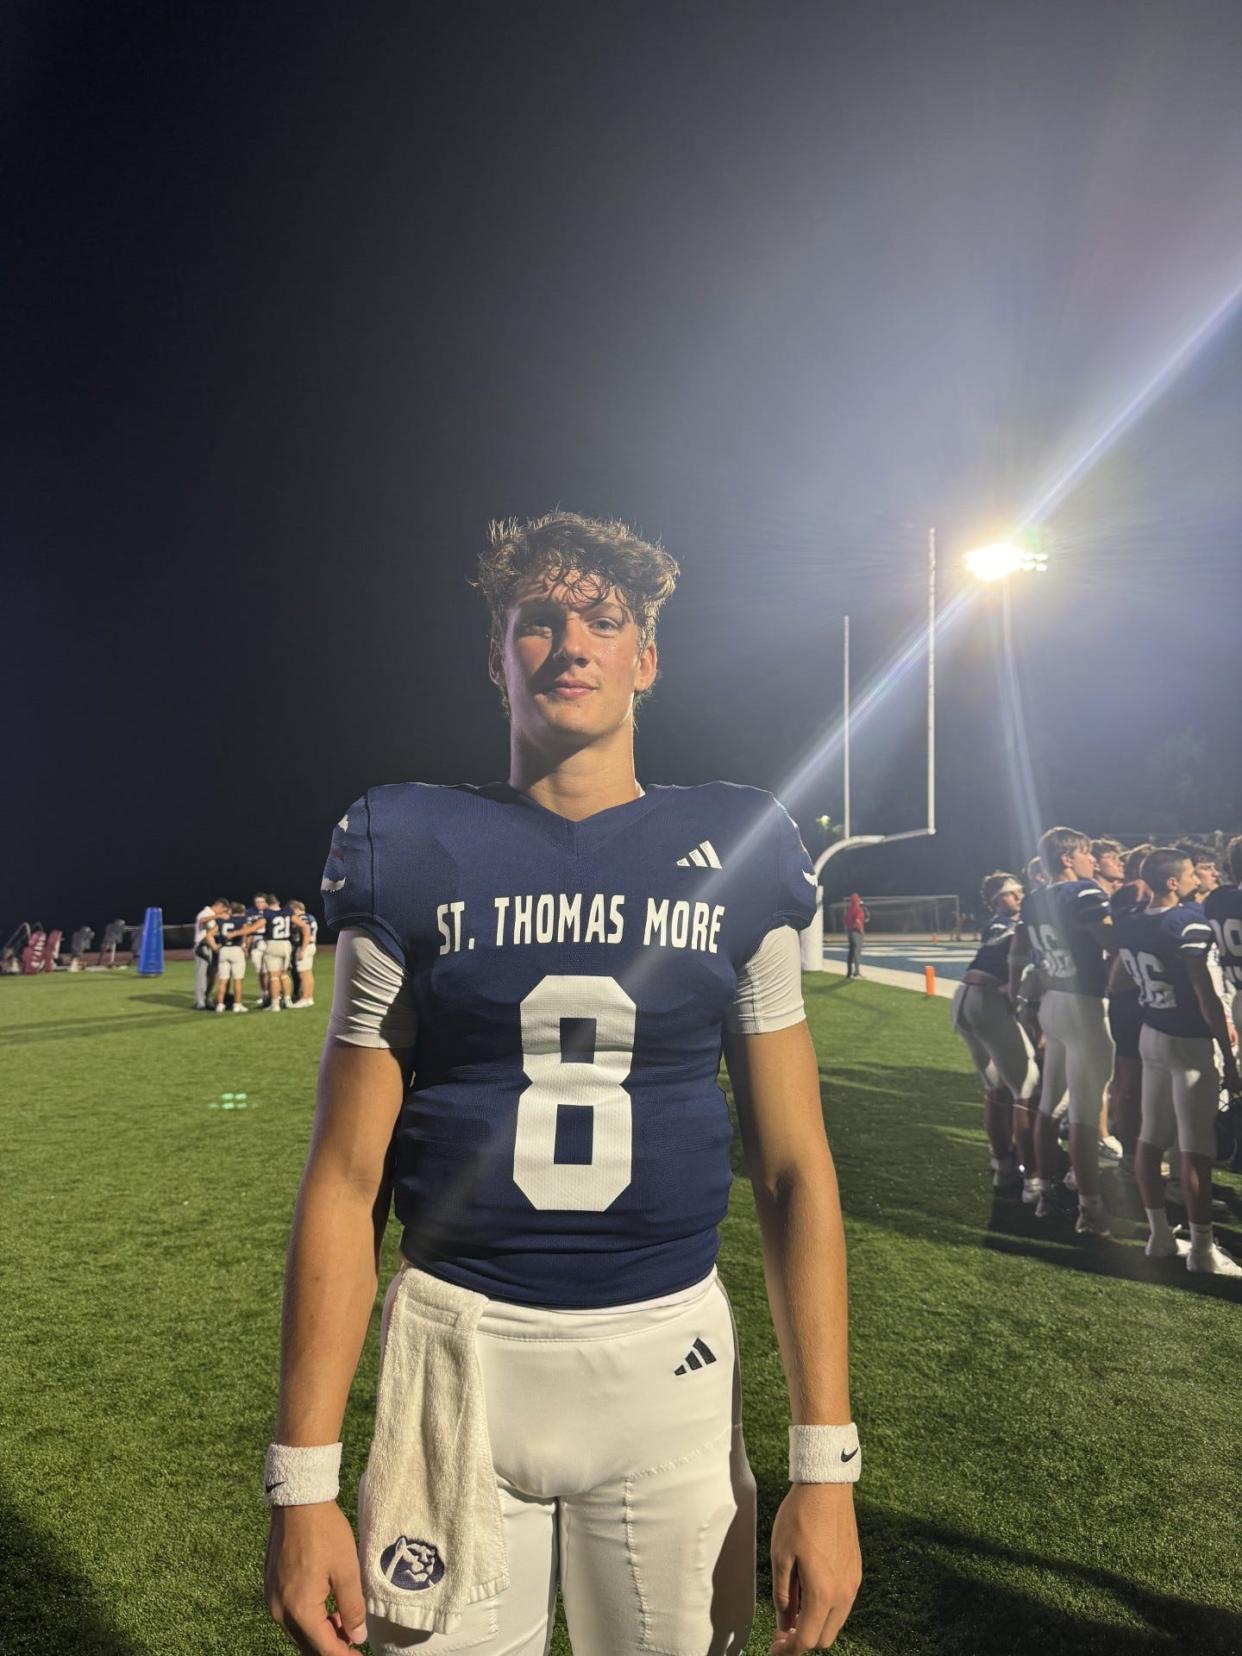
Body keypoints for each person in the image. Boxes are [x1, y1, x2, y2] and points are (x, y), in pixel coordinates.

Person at [264, 512, 861, 1656]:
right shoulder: (408, 841)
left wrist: (825, 1466)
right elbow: (346, 1179)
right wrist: (299, 1484)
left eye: (604, 621)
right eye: (537, 621)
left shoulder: (739, 844)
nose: (570, 644)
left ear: (648, 659)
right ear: (495, 656)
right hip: (459, 1353)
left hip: (668, 1364)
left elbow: (792, 1169)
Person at [1112, 848, 1241, 1276]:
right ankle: (1202, 1249)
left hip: (1151, 1032)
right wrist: (1228, 1053)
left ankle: (1158, 1235)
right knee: (1195, 1147)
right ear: (1173, 881)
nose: (1195, 880)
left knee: (1151, 1138)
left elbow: (1124, 980)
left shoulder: (1131, 921)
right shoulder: (1187, 922)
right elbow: (1205, 996)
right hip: (1188, 1039)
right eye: (1189, 874)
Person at [1008, 827, 1115, 1235]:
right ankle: (1091, 1209)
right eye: (1087, 854)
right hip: (1084, 1002)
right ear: (1069, 858)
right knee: (1086, 1113)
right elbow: (1111, 937)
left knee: (1050, 1102)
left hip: (1052, 1000)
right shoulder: (1084, 892)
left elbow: (1024, 952)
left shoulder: (1034, 899)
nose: (1092, 861)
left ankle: (1049, 1193)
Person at [951, 872, 1040, 1199]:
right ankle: (1033, 1179)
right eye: (1010, 893)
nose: (1018, 897)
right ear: (995, 901)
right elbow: (1009, 938)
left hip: (968, 999)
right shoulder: (1005, 925)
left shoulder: (1005, 922)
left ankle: (1002, 1166)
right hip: (985, 1001)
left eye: (1020, 892)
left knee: (997, 1089)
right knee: (1026, 1090)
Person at [1105, 844, 1152, 1187]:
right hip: (1131, 994)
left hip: (1131, 993)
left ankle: (1134, 1152)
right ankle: (1134, 1154)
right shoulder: (1135, 893)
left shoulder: (1127, 894)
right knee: (1131, 1082)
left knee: (1130, 1081)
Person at [212, 902, 260, 1013]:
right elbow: (248, 933)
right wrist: (246, 947)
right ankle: (237, 1005)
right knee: (237, 980)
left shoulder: (221, 920)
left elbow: (210, 934)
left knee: (222, 980)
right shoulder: (242, 920)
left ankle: (220, 1005)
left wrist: (214, 947)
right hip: (236, 950)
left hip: (224, 950)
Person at [262, 894, 295, 1011]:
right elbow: (302, 924)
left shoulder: (266, 914)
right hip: (286, 944)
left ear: (267, 903)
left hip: (273, 944)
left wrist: (237, 933)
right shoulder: (287, 911)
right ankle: (288, 1001)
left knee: (274, 977)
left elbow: (257, 926)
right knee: (284, 974)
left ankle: (275, 1004)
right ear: (278, 902)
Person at [290, 901, 318, 1007]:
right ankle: (309, 997)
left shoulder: (302, 918)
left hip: (305, 946)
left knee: (303, 974)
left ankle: (305, 998)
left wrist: (302, 949)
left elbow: (306, 933)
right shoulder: (310, 916)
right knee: (308, 973)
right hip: (311, 945)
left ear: (296, 908)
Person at [844, 892, 867, 978]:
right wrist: (861, 931)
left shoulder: (849, 910)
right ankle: (857, 971)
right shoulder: (858, 909)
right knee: (857, 952)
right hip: (856, 932)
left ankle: (849, 972)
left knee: (851, 952)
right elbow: (857, 921)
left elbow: (845, 920)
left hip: (850, 932)